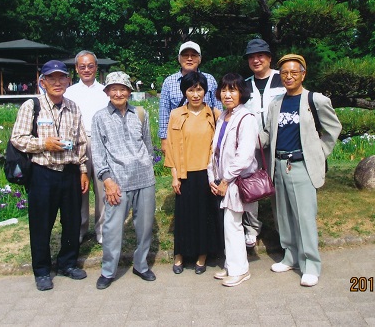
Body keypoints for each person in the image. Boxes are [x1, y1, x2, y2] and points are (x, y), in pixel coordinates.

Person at [260, 54, 342, 287]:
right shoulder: (276, 102)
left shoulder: (315, 100)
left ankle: (311, 265)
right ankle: (290, 256)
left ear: (303, 74)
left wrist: (318, 153)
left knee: (304, 217)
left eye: (294, 73)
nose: (288, 77)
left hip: (301, 166)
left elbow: (333, 129)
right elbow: (267, 132)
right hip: (278, 164)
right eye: (284, 73)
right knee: (283, 215)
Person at [10, 60, 89, 291]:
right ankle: (42, 270)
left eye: (61, 78)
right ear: (42, 82)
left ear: (68, 81)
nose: (57, 82)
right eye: (51, 78)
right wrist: (44, 144)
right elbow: (18, 138)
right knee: (41, 224)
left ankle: (67, 263)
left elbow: (81, 142)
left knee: (72, 222)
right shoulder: (31, 106)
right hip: (43, 173)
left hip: (70, 172)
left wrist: (83, 170)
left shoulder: (73, 107)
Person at [91, 71, 157, 290]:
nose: (118, 93)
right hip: (117, 181)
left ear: (129, 91)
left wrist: (147, 165)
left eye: (123, 89)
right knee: (112, 228)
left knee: (145, 227)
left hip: (144, 178)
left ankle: (141, 264)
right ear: (107, 92)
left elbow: (148, 144)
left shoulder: (140, 113)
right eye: (113, 89)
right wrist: (107, 179)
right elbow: (98, 153)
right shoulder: (100, 117)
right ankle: (108, 270)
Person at [164, 72, 222, 275]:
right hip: (184, 173)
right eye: (191, 90)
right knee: (184, 216)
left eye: (199, 89)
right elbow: (170, 146)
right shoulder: (176, 114)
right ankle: (180, 255)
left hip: (207, 174)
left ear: (205, 91)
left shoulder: (214, 114)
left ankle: (202, 256)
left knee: (204, 215)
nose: (195, 94)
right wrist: (174, 175)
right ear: (184, 92)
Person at [207, 73, 258, 287]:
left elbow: (244, 156)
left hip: (236, 181)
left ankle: (240, 270)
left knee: (233, 224)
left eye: (233, 90)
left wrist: (226, 180)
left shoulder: (246, 118)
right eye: (225, 90)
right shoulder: (223, 117)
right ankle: (231, 264)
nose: (228, 95)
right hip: (223, 179)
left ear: (241, 93)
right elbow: (215, 150)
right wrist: (212, 176)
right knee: (229, 224)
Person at [242, 38, 286, 247]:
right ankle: (251, 229)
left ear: (269, 58)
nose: (256, 60)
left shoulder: (282, 80)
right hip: (251, 143)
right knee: (250, 184)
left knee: (278, 185)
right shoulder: (244, 84)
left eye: (260, 56)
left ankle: (282, 231)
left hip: (279, 142)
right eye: (251, 57)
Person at [64, 50, 110, 244]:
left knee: (102, 189)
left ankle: (102, 230)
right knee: (80, 188)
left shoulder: (105, 90)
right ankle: (81, 228)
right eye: (82, 66)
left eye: (90, 66)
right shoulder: (69, 92)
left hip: (101, 142)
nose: (86, 70)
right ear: (76, 68)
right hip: (78, 143)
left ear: (96, 67)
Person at [158, 41, 222, 154]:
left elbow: (218, 110)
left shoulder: (209, 80)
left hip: (207, 139)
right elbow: (164, 112)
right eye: (185, 55)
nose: (189, 58)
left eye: (193, 55)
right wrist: (164, 140)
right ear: (179, 58)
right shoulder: (169, 82)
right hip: (179, 138)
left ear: (200, 59)